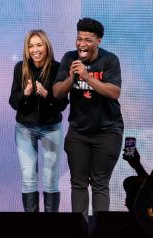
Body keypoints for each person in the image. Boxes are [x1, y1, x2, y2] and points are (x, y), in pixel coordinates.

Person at [53, 18, 124, 220]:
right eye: (79, 39)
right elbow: (57, 92)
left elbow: (114, 92)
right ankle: (79, 229)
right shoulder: (69, 58)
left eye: (88, 40)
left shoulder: (109, 60)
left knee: (100, 184)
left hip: (108, 131)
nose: (82, 44)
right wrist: (71, 78)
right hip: (79, 132)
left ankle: (101, 230)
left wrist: (87, 77)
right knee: (78, 183)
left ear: (98, 41)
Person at [9, 30, 68, 212]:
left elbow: (63, 104)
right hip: (25, 128)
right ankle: (32, 227)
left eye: (39, 45)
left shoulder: (58, 68)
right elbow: (13, 102)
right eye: (31, 46)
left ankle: (50, 228)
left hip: (51, 127)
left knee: (50, 178)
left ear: (46, 47)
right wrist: (25, 94)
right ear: (27, 49)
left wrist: (46, 95)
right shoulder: (21, 68)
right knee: (28, 178)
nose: (35, 49)